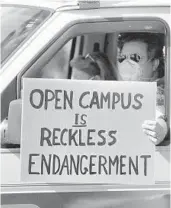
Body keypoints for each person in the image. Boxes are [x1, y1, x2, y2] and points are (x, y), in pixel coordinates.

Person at [116, 33, 168, 145]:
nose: (127, 63)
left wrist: (160, 130)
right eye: (122, 58)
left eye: (135, 58)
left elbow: (159, 114)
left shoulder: (158, 90)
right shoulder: (122, 90)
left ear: (154, 64)